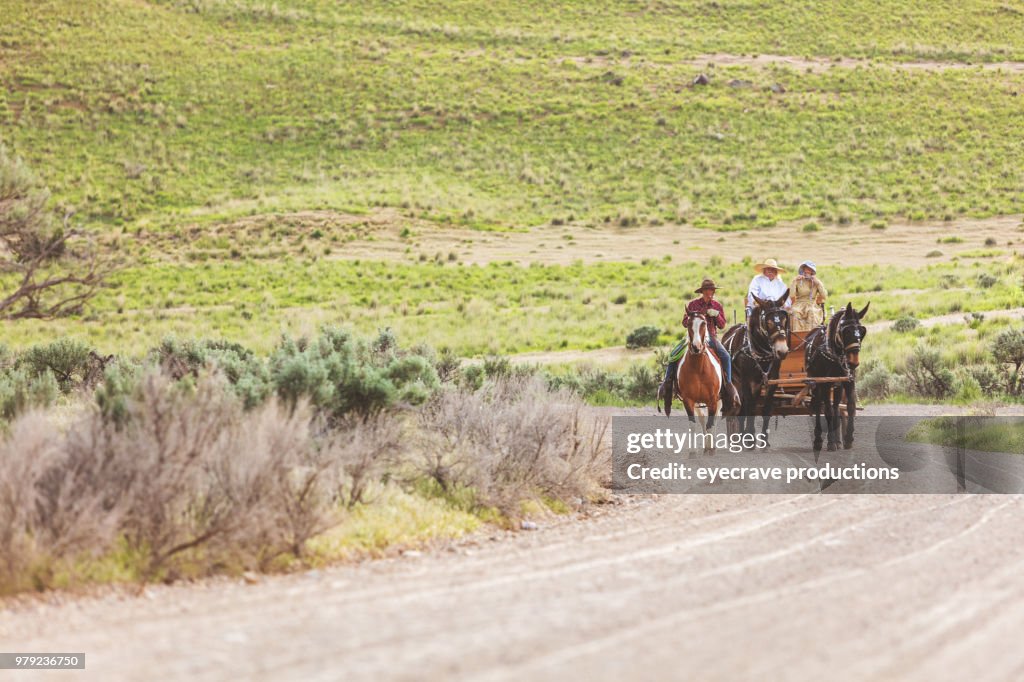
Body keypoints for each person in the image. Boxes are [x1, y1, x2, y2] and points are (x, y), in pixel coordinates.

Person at [660, 278, 739, 409]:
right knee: (674, 354)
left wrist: (716, 315)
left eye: (712, 290)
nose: (710, 293)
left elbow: (722, 325)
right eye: (708, 290)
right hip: (692, 337)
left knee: (725, 356)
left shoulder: (717, 306)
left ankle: (728, 384)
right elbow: (684, 323)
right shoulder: (692, 305)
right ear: (702, 291)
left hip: (710, 337)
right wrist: (692, 318)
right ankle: (667, 383)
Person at [789, 260, 828, 332]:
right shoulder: (798, 281)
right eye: (806, 269)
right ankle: (797, 336)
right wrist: (794, 281)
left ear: (812, 271)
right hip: (799, 304)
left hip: (811, 304)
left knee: (811, 312)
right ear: (802, 270)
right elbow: (791, 295)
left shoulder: (816, 281)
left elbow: (824, 296)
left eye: (809, 269)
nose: (807, 271)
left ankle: (811, 336)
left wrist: (818, 284)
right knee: (795, 312)